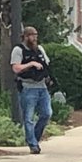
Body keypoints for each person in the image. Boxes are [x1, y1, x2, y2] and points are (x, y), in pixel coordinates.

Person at [11, 26, 52, 154]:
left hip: (42, 87)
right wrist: (31, 64)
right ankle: (33, 144)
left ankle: (34, 137)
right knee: (28, 117)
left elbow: (47, 63)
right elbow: (16, 68)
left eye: (36, 35)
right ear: (26, 36)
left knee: (47, 113)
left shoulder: (39, 49)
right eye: (32, 35)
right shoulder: (18, 50)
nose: (35, 38)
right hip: (28, 87)